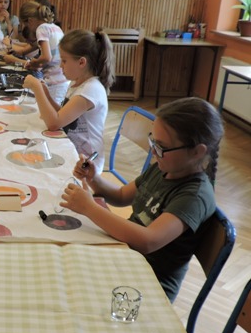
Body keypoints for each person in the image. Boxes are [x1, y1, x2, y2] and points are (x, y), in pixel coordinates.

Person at [61, 97, 223, 302]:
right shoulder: (164, 168)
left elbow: (148, 241)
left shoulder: (195, 196)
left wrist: (90, 208)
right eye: (153, 142)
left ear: (197, 151)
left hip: (147, 286)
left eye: (161, 146)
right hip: (126, 259)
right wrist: (93, 179)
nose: (153, 151)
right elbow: (121, 196)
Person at [23, 29, 114, 170]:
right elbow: (63, 115)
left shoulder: (91, 89)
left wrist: (37, 88)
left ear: (81, 62)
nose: (61, 65)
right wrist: (46, 95)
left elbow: (54, 123)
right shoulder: (76, 83)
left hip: (86, 165)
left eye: (64, 61)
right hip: (71, 151)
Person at [4, 0, 68, 104]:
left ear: (30, 21)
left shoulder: (41, 29)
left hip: (54, 80)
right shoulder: (55, 27)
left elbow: (46, 57)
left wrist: (33, 62)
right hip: (63, 79)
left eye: (26, 25)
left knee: (50, 110)